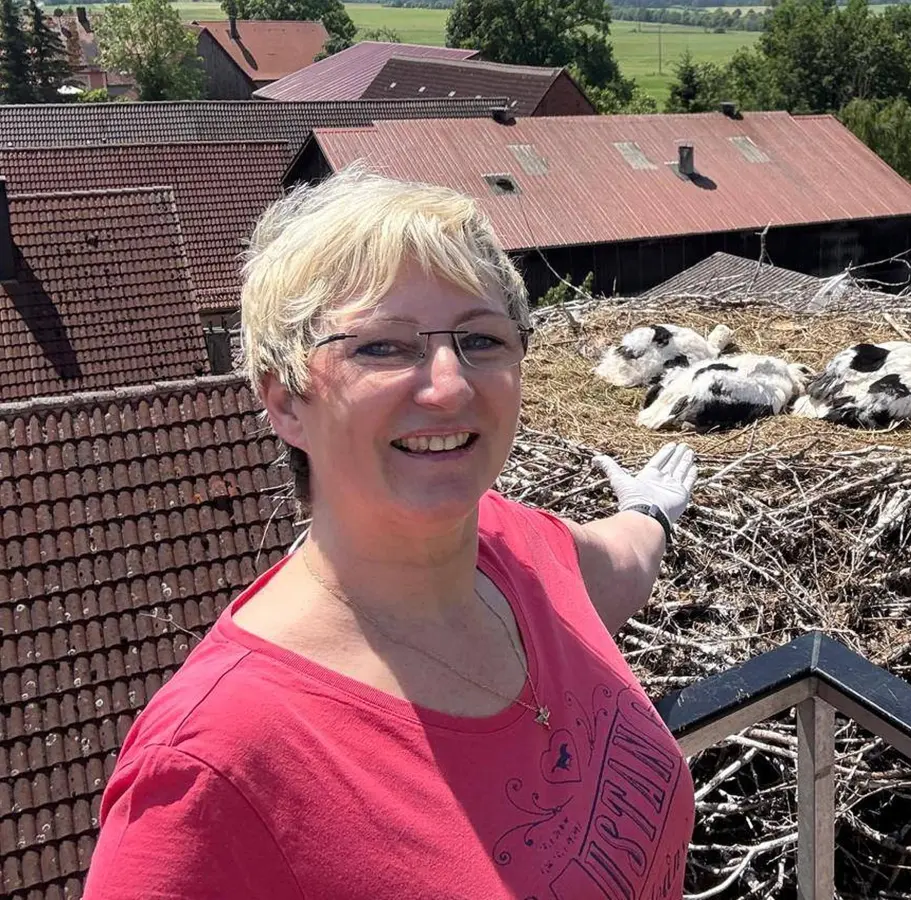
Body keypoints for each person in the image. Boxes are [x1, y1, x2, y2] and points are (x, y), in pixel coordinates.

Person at [84, 170, 700, 899]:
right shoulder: (212, 769)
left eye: (481, 339)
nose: (449, 385)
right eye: (381, 347)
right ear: (285, 400)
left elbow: (620, 562)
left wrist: (652, 510)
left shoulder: (516, 546)